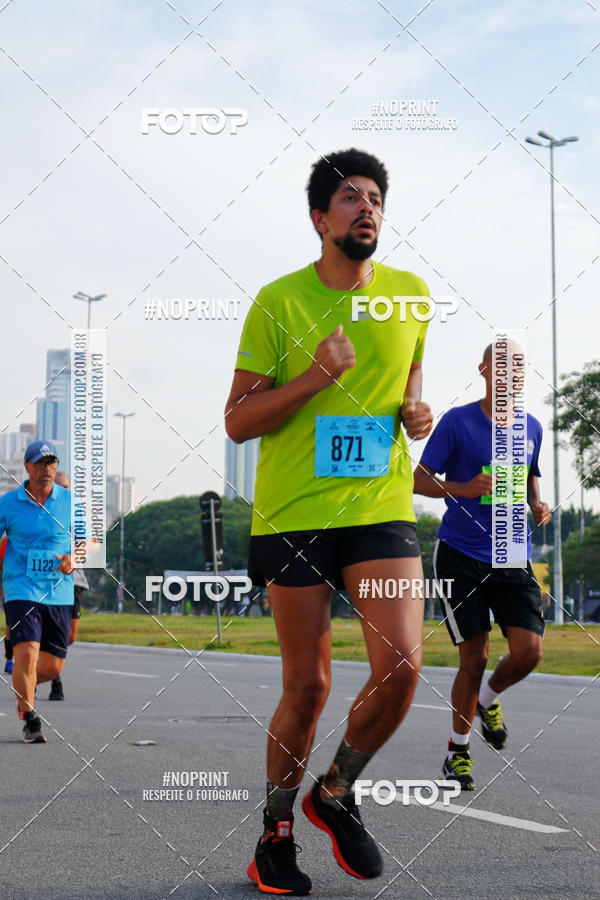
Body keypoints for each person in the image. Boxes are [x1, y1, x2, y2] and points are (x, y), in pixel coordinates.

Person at [225, 148, 433, 895]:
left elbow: (409, 397)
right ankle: (276, 831)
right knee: (308, 686)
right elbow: (239, 421)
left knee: (403, 666)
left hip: (377, 505)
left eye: (375, 196)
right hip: (294, 514)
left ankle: (335, 790)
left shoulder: (411, 296)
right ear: (319, 218)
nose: (366, 206)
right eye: (349, 197)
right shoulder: (279, 301)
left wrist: (418, 414)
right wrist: (316, 376)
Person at [413, 342, 550, 790]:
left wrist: (536, 501)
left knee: (529, 652)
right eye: (503, 365)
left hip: (513, 550)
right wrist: (464, 487)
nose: (512, 373)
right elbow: (419, 479)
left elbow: (529, 470)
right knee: (475, 657)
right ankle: (458, 752)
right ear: (485, 370)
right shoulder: (457, 422)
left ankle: (489, 699)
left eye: (519, 367)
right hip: (461, 553)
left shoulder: (532, 426)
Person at [0, 441, 74, 742]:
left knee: (51, 665)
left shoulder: (70, 501)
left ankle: (23, 687)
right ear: (27, 467)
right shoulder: (8, 502)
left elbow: (91, 541)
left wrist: (75, 557)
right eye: (40, 463)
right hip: (21, 588)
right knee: (27, 655)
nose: (46, 468)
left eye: (51, 463)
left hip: (58, 592)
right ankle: (30, 718)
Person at [48, 471, 89, 701]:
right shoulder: (42, 513)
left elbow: (91, 543)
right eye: (59, 487)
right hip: (48, 581)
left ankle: (49, 666)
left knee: (70, 636)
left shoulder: (76, 513)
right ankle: (55, 677)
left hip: (75, 580)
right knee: (48, 632)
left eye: (67, 487)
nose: (64, 491)